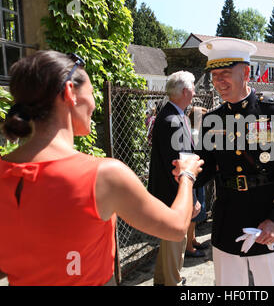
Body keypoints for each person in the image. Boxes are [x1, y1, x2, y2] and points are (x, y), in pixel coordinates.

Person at [0, 51, 203, 286]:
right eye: (92, 92)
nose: (95, 103)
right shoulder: (104, 175)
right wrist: (187, 174)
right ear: (69, 93)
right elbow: (177, 227)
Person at [195, 37, 274, 286]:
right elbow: (204, 168)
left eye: (225, 73)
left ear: (246, 72)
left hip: (267, 222)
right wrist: (187, 177)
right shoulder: (211, 121)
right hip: (228, 223)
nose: (218, 81)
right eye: (214, 75)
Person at [147, 70, 201, 286]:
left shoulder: (172, 115)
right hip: (174, 194)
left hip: (168, 191)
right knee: (176, 240)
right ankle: (173, 281)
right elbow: (180, 166)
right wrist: (192, 198)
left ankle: (163, 279)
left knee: (171, 241)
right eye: (194, 87)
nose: (195, 92)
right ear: (186, 91)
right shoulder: (174, 119)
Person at [185, 106, 209, 258]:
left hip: (196, 176)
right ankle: (189, 246)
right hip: (194, 176)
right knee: (193, 213)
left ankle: (192, 240)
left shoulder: (191, 131)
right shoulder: (195, 133)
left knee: (195, 213)